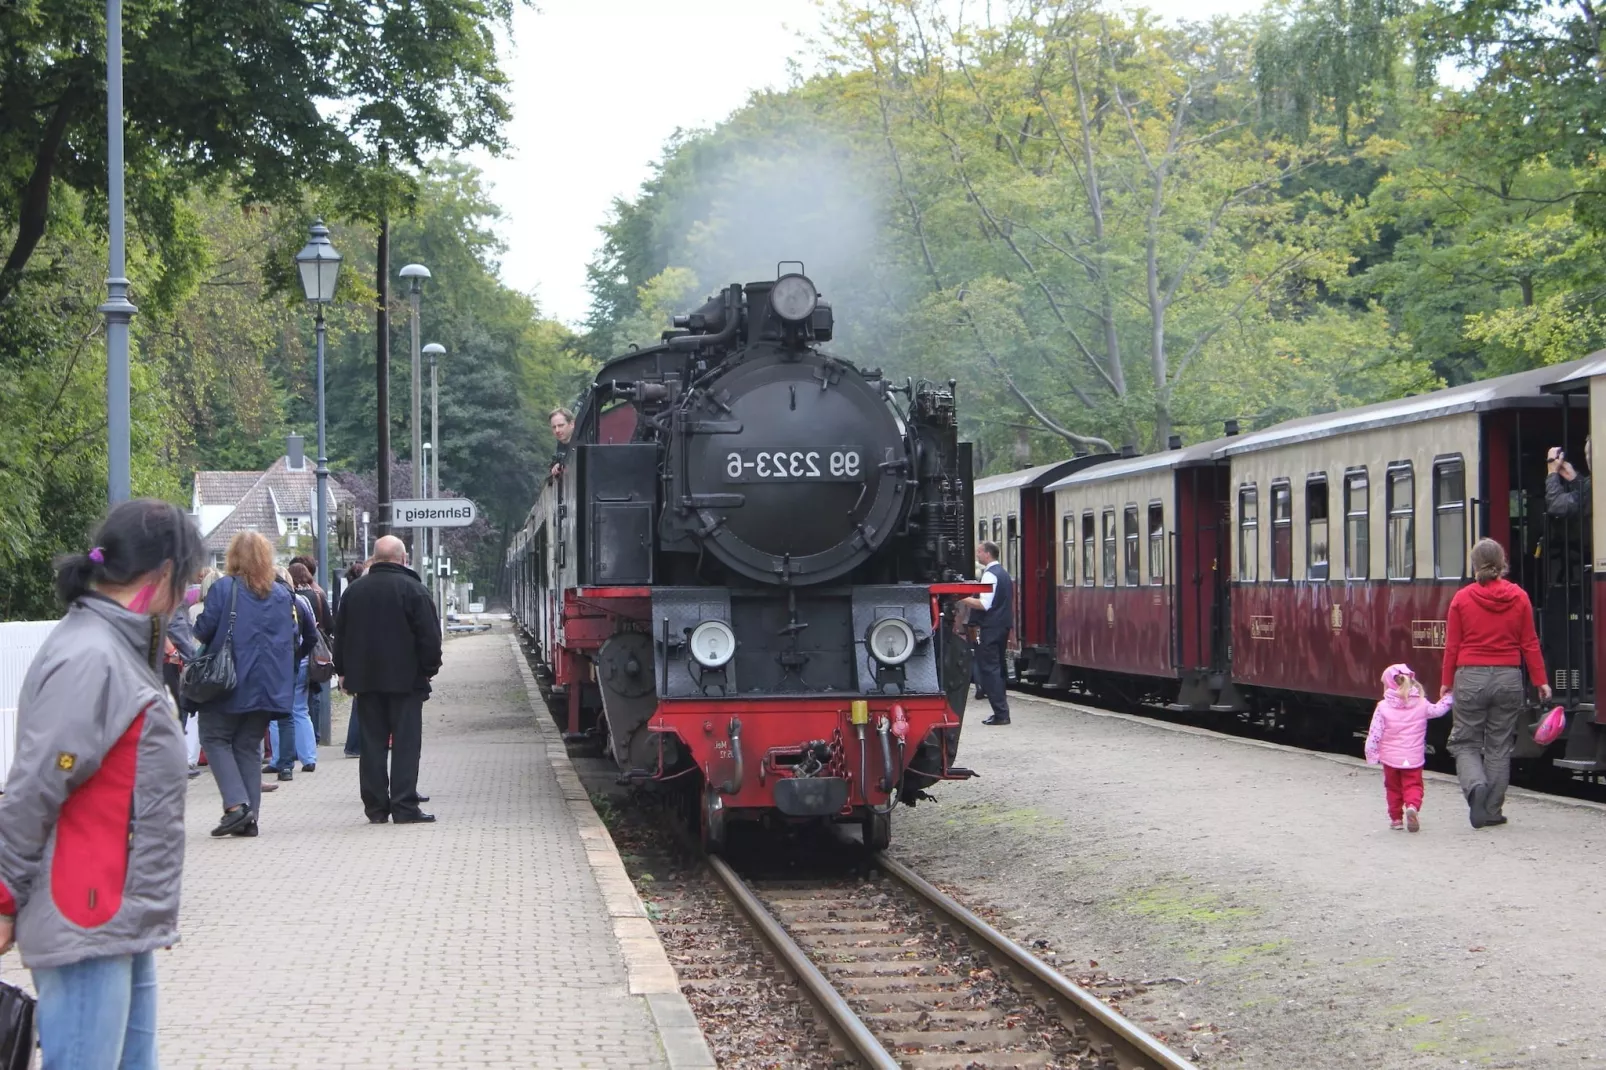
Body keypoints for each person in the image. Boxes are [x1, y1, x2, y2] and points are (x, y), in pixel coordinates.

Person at [0, 498, 204, 1070]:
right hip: (85, 905)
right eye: (184, 580)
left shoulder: (109, 647)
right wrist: (5, 894)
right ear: (163, 573)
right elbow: (36, 786)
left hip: (112, 912)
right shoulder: (92, 656)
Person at [193, 531, 314, 837]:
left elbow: (204, 631)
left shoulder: (224, 589)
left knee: (214, 737)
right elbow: (295, 637)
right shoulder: (281, 594)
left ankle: (236, 807)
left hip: (229, 681)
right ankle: (250, 819)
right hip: (269, 684)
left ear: (233, 557)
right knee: (248, 746)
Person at [1441, 538, 1551, 829]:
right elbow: (1529, 642)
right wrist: (1540, 681)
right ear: (1503, 564)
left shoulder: (1462, 599)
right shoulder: (1519, 597)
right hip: (1508, 677)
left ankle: (1475, 788)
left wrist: (1445, 683)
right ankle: (1491, 810)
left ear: (1475, 565)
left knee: (1464, 742)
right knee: (1499, 746)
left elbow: (1452, 646)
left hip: (1470, 676)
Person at [334, 536, 442, 824]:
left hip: (366, 681)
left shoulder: (354, 592)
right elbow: (429, 637)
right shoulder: (414, 590)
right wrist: (429, 669)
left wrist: (342, 671)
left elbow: (340, 635)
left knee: (372, 745)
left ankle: (376, 808)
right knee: (406, 745)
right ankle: (405, 807)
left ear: (375, 557)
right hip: (406, 682)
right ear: (403, 559)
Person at [1365, 664, 1453, 832]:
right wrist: (1449, 697)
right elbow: (1438, 710)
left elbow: (1374, 733)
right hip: (1412, 757)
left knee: (1393, 788)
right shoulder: (1421, 703)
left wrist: (1371, 754)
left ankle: (1396, 820)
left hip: (1390, 759)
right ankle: (1412, 806)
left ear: (1389, 685)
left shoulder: (1382, 707)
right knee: (1413, 785)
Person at [265, 566, 320, 781]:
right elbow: (311, 636)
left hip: (279, 663)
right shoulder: (302, 601)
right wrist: (299, 655)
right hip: (299, 662)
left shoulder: (269, 599)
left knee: (276, 714)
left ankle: (279, 759)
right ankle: (309, 757)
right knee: (299, 709)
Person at [959, 541, 1013, 726]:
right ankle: (1001, 711)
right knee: (998, 668)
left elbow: (984, 604)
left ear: (987, 554)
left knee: (990, 670)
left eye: (979, 552)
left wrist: (961, 598)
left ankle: (1001, 713)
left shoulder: (990, 574)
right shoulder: (1004, 573)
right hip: (1002, 626)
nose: (977, 555)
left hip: (990, 627)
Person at [341, 559, 368, 759]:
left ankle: (354, 744)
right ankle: (356, 744)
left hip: (357, 661)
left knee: (360, 704)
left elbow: (341, 632)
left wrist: (342, 668)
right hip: (366, 661)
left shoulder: (349, 595)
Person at [1546, 439, 1591, 518]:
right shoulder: (1596, 485)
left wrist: (1552, 472)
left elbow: (1556, 505)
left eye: (1590, 453)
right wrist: (1575, 479)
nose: (1588, 458)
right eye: (1586, 454)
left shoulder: (1597, 486)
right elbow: (1585, 497)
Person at [549, 406, 574, 479]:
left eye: (560, 425)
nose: (557, 430)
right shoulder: (559, 446)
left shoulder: (584, 443)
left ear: (572, 424)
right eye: (554, 427)